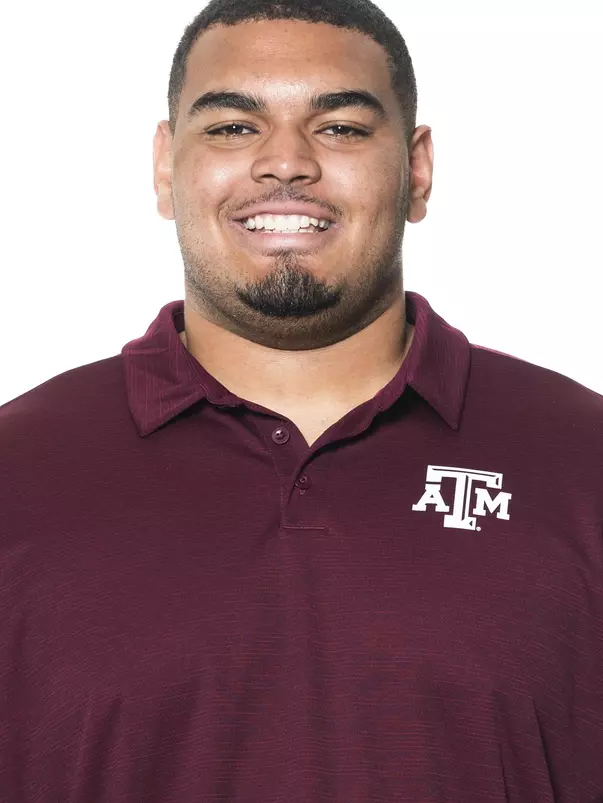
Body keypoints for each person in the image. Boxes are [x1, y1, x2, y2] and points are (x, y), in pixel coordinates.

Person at [1, 0, 602, 800]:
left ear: (417, 168)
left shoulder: (583, 462)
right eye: (232, 127)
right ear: (165, 167)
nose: (284, 162)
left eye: (340, 128)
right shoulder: (17, 470)